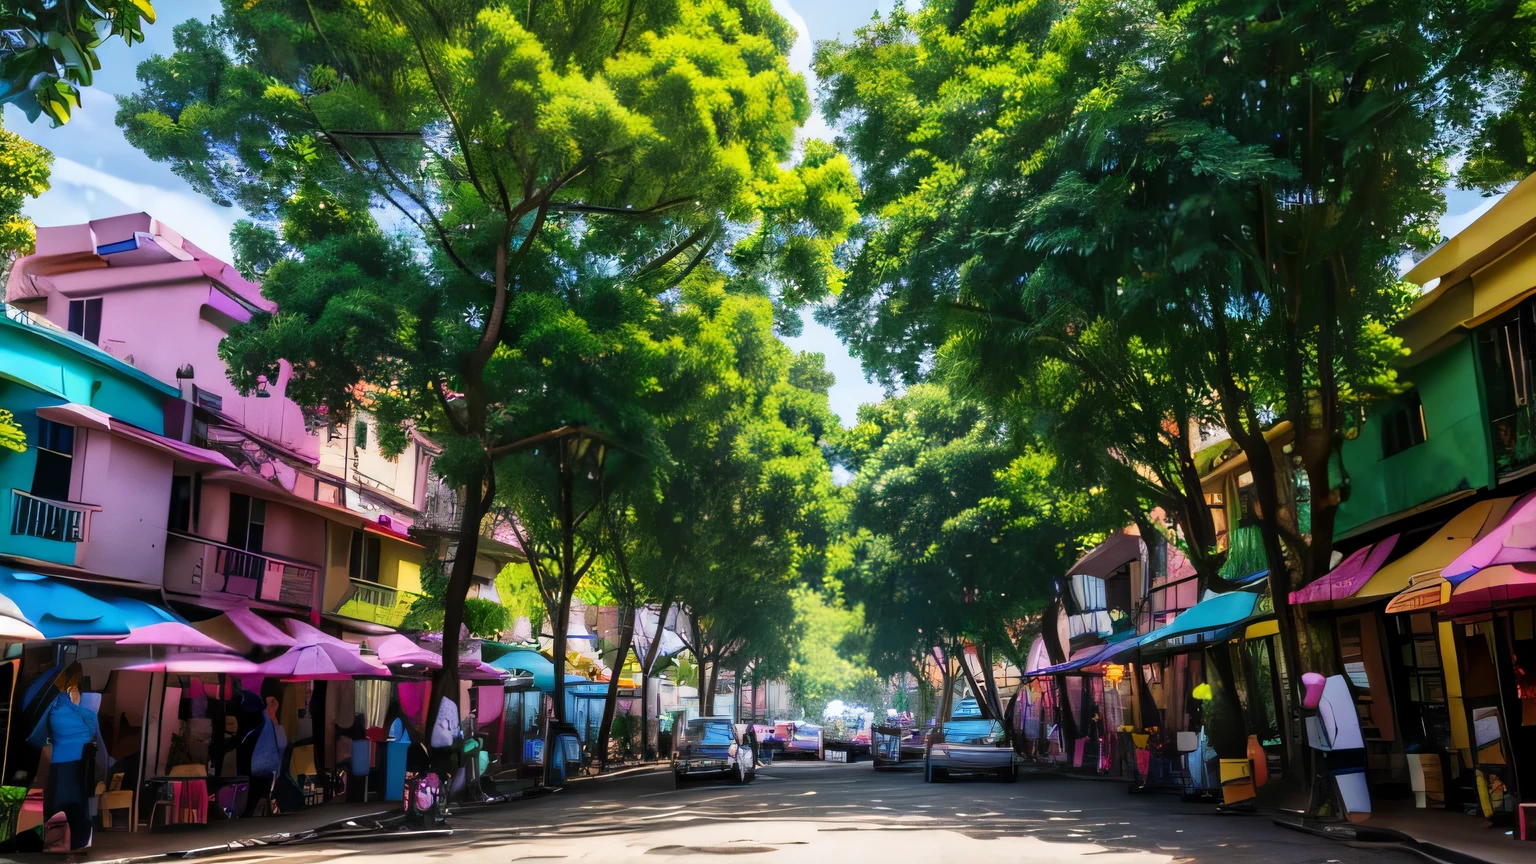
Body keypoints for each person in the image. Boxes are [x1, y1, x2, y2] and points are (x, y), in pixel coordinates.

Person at [26, 664, 97, 851]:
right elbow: (90, 727)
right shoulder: (65, 702)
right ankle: (72, 839)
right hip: (74, 755)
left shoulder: (55, 703)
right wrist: (76, 707)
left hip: (66, 756)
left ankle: (65, 839)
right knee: (73, 798)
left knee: (64, 798)